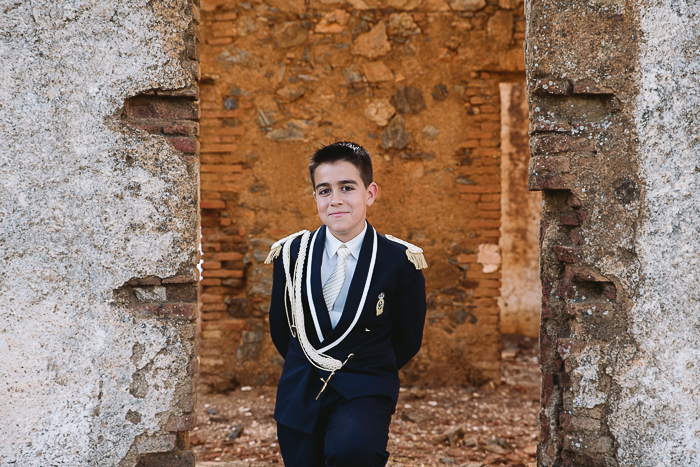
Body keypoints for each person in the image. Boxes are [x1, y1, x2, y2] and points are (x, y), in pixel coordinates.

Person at [265, 141, 427, 467]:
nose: (335, 199)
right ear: (315, 198)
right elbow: (281, 328)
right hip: (301, 387)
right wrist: (311, 362)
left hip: (365, 385)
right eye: (324, 190)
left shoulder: (400, 261)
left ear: (370, 193)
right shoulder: (291, 254)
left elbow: (407, 338)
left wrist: (367, 366)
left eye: (347, 187)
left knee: (354, 452)